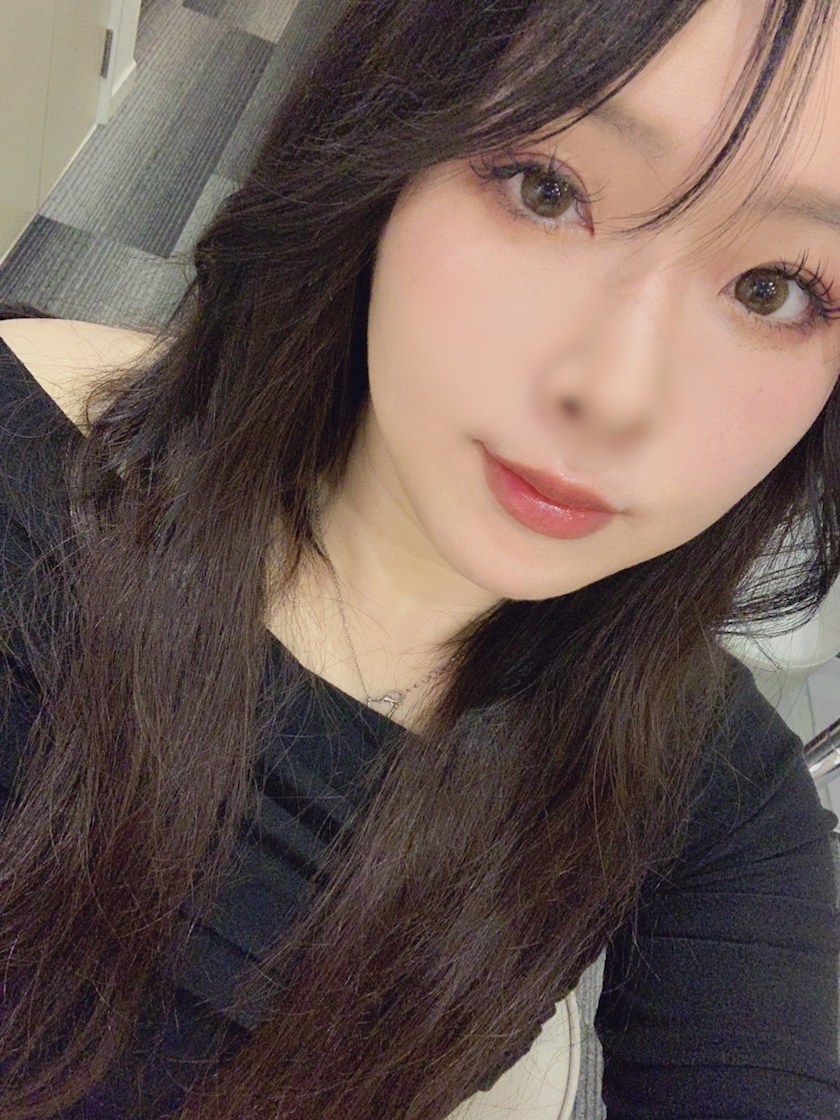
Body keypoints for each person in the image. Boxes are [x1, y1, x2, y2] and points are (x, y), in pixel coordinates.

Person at [0, 0, 839, 1116]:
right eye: (547, 188)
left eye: (774, 289)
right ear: (388, 138)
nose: (615, 397)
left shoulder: (721, 806)